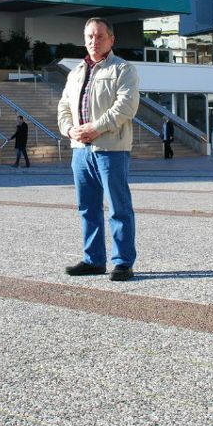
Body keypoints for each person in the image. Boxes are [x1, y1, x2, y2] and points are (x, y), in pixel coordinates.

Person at [57, 17, 140, 282]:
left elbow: (126, 106)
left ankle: (123, 262)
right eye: (90, 37)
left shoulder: (123, 69)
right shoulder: (75, 72)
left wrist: (96, 127)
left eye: (100, 36)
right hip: (80, 150)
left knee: (119, 207)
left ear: (111, 39)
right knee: (87, 207)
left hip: (111, 149)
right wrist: (70, 130)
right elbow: (63, 108)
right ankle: (93, 260)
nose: (95, 41)